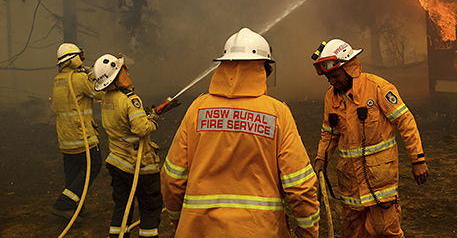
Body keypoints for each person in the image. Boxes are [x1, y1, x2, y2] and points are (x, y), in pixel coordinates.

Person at [161, 28, 319, 238]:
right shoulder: (277, 113)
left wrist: (181, 221)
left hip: (199, 230)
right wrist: (308, 232)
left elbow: (172, 178)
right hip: (260, 231)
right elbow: (299, 185)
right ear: (264, 68)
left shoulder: (197, 110)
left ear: (223, 65)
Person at [311, 38, 429, 238]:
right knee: (351, 233)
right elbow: (329, 134)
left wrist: (417, 160)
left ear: (349, 67)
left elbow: (405, 121)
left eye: (335, 75)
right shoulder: (330, 97)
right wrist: (321, 159)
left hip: (379, 180)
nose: (331, 81)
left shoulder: (378, 88)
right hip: (350, 182)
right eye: (328, 78)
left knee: (385, 232)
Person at [92, 53, 165, 238]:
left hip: (117, 163)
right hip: (139, 165)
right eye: (123, 68)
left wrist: (142, 115)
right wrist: (153, 120)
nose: (128, 70)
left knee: (122, 207)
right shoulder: (131, 99)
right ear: (116, 76)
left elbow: (123, 123)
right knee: (149, 207)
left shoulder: (106, 98)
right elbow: (141, 129)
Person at [51, 43, 104, 223]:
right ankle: (64, 204)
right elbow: (100, 93)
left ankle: (75, 208)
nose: (83, 60)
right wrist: (93, 75)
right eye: (80, 57)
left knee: (73, 173)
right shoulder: (80, 79)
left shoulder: (58, 79)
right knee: (93, 166)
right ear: (74, 59)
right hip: (82, 137)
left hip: (65, 138)